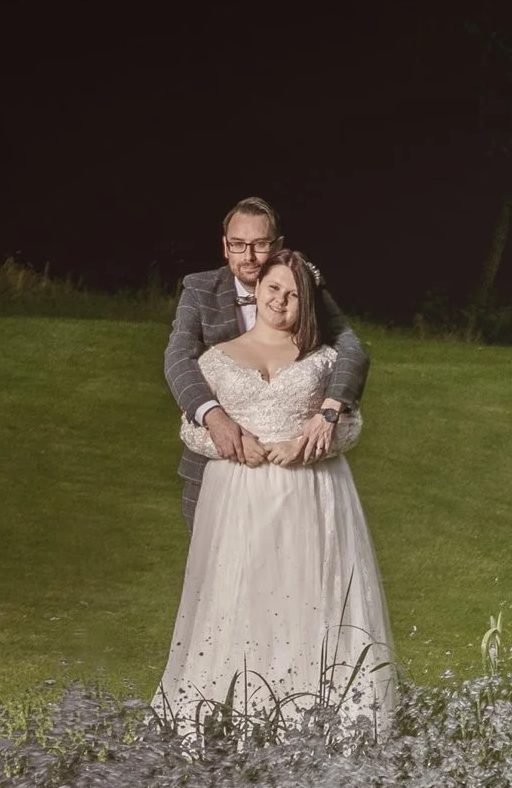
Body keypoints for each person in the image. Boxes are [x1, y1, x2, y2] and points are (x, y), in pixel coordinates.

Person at [156, 248, 396, 728]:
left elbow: (350, 428)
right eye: (272, 289)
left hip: (307, 493)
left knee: (308, 593)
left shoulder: (323, 360)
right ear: (256, 291)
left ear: (305, 304)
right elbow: (189, 430)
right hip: (238, 495)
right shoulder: (218, 359)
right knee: (238, 594)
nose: (280, 301)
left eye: (291, 294)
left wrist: (305, 445)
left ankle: (313, 715)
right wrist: (233, 443)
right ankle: (231, 715)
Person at [164, 197, 369, 528]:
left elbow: (351, 349)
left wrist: (329, 410)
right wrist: (213, 417)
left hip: (296, 475)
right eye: (238, 245)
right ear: (225, 247)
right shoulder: (200, 289)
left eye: (259, 245)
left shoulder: (303, 285)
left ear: (277, 246)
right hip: (216, 468)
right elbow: (177, 357)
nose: (248, 256)